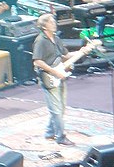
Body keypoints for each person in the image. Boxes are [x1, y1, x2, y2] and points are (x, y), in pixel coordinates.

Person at [32, 14, 79, 146]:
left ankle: (49, 132)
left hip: (59, 76)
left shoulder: (56, 38)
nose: (55, 24)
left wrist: (82, 51)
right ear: (44, 26)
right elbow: (37, 61)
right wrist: (55, 72)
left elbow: (66, 55)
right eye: (51, 22)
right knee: (56, 110)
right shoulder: (40, 41)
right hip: (49, 78)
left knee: (61, 108)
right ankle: (61, 137)